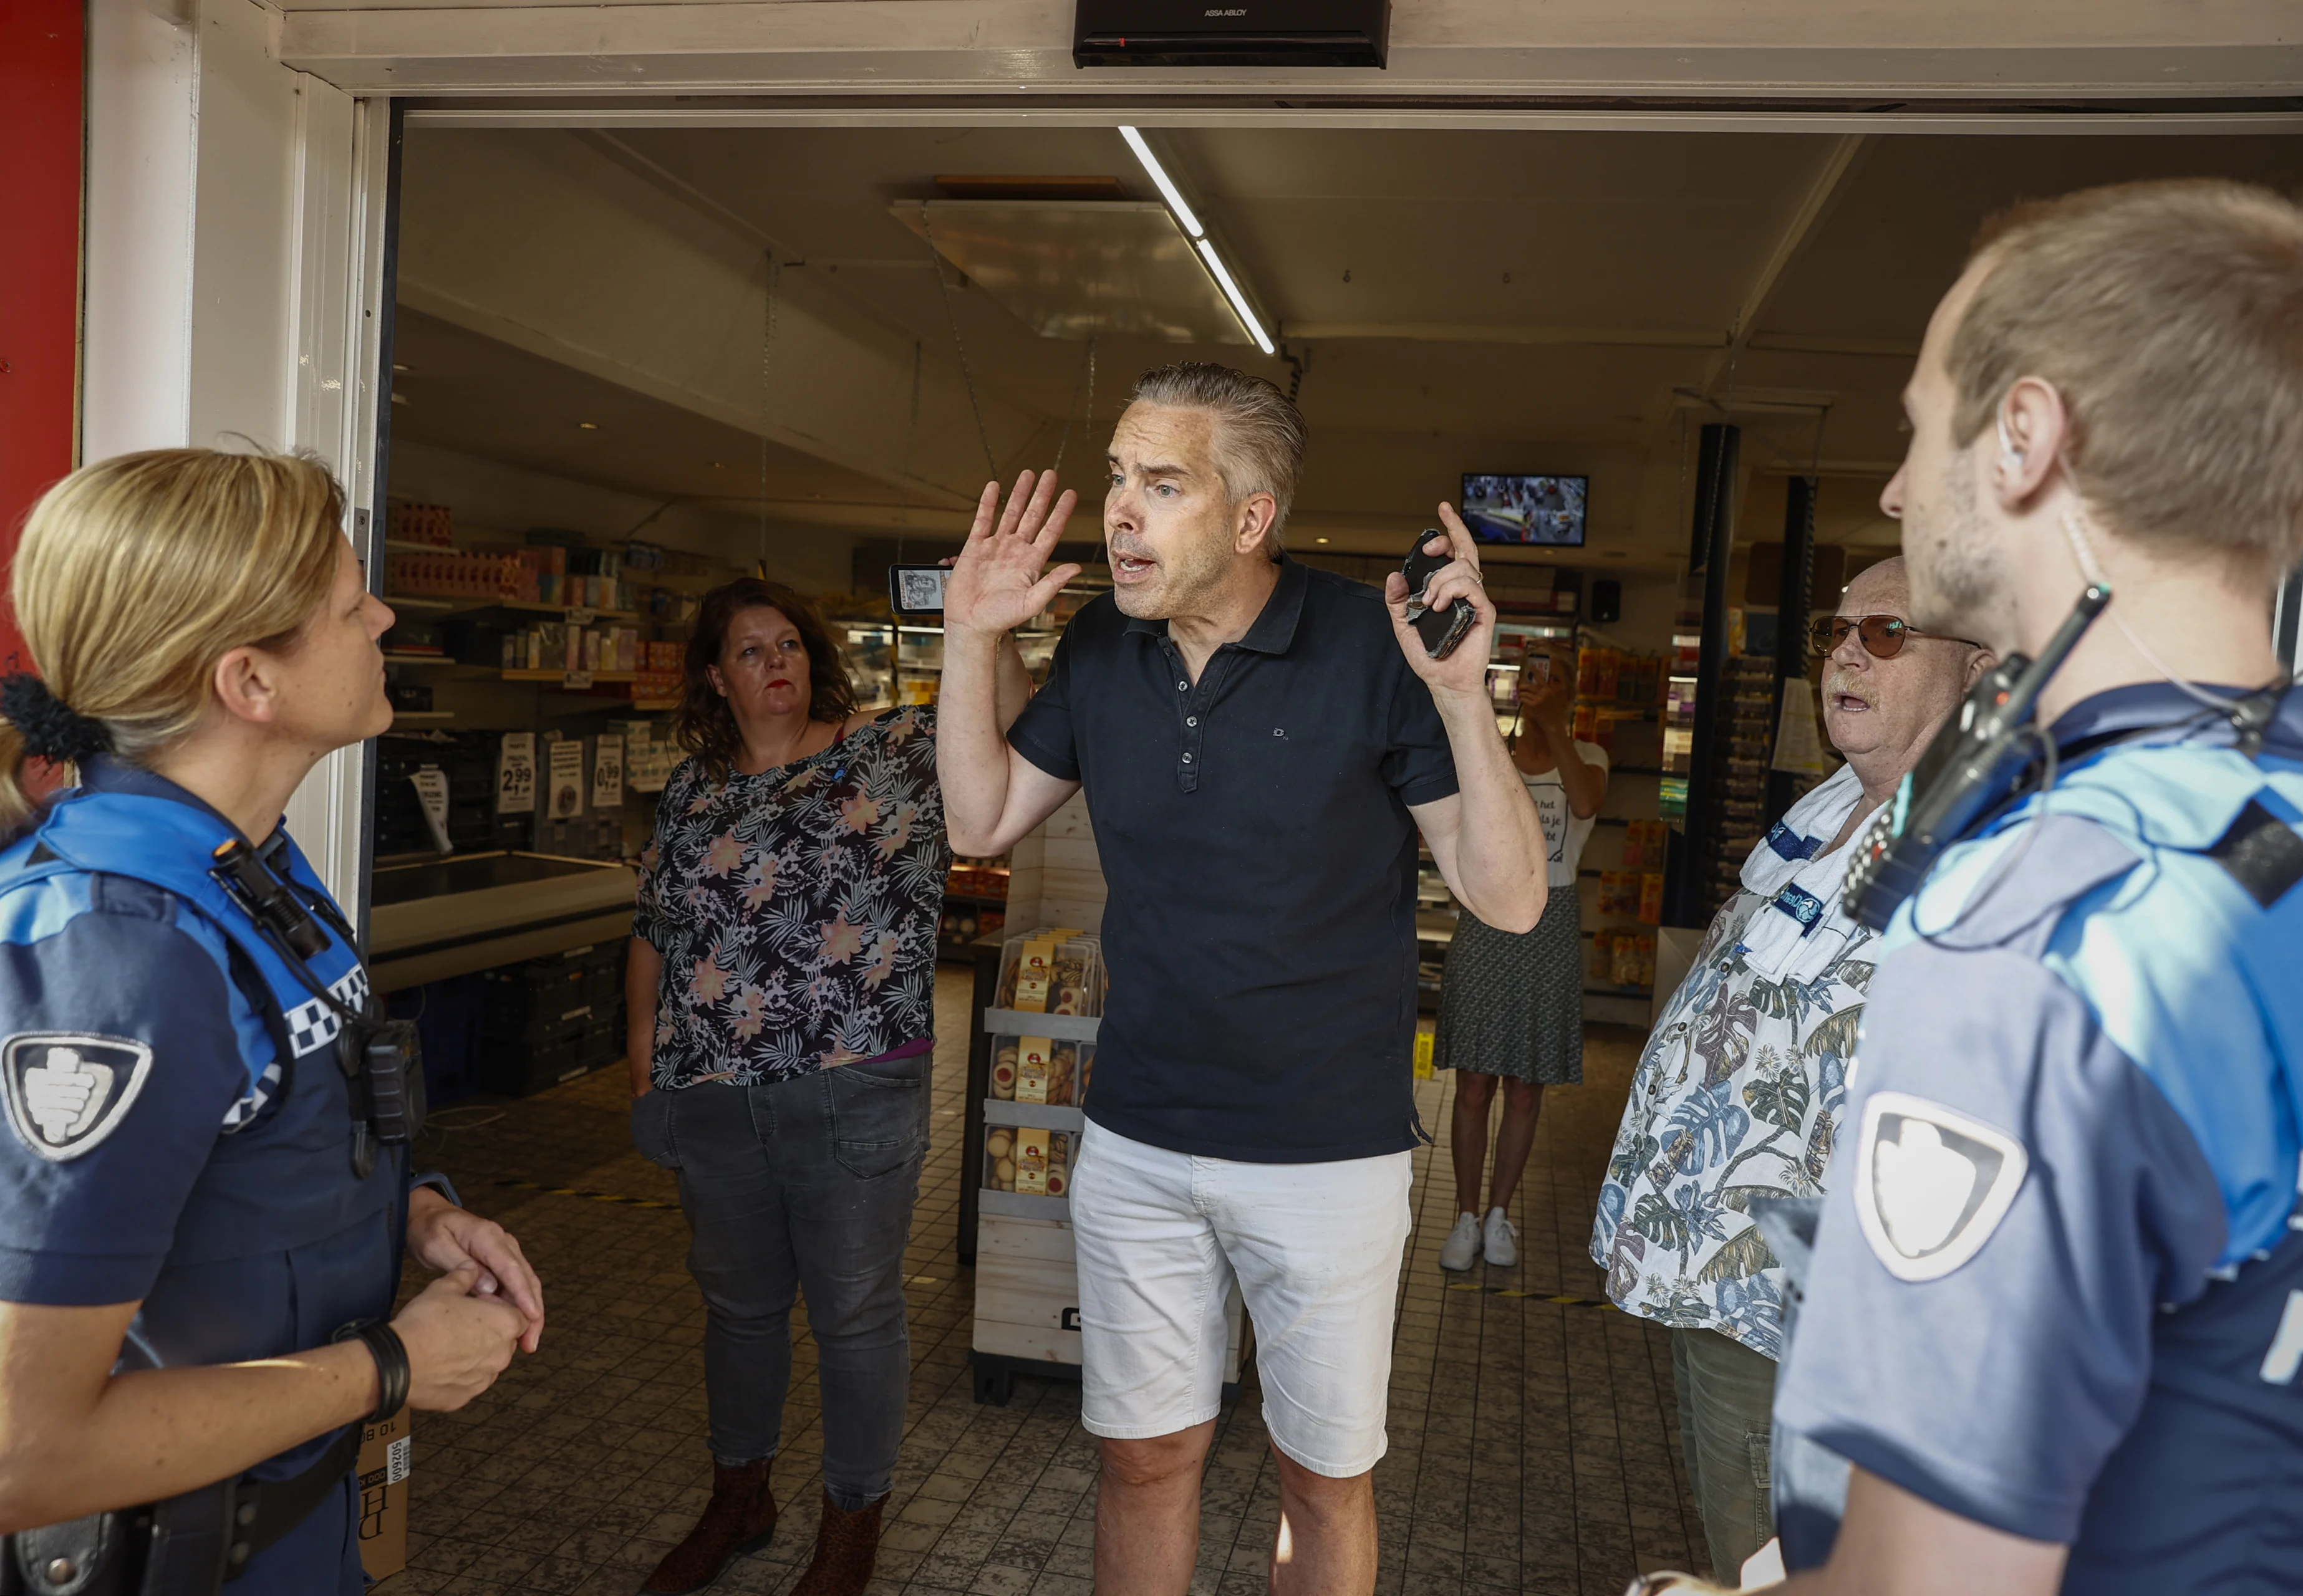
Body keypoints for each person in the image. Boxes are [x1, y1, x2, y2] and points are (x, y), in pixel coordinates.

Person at [1631, 181, 2303, 1595]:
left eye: (1920, 430)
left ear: (2027, 438)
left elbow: (1935, 1579)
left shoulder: (2031, 921)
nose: (1893, 489)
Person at [938, 362, 1547, 1596]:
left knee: (1323, 1480)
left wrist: (1464, 697)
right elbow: (983, 814)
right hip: (1140, 1139)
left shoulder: (1372, 651)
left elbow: (1510, 895)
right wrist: (970, 635)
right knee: (1144, 1457)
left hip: (1327, 1151)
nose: (1120, 509)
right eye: (1118, 476)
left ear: (1250, 516)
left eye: (1162, 484)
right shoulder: (1106, 644)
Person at [0, 449, 542, 1593]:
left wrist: (419, 1212)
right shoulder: (130, 952)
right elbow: (24, 1453)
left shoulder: (244, 866)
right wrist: (393, 1366)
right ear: (249, 683)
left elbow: (270, 1120)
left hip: (291, 1536)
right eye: (352, 606)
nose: (386, 614)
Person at [626, 577, 1030, 1596]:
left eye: (791, 645)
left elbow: (1022, 728)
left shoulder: (897, 749)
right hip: (713, 1091)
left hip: (855, 1087)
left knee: (854, 1314)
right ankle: (740, 1497)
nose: (777, 663)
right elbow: (656, 929)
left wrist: (994, 625)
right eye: (751, 651)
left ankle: (851, 1534)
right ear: (716, 678)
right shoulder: (692, 787)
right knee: (739, 1310)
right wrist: (644, 1051)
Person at [1593, 557, 1991, 1579]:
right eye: (1836, 630)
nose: (1847, 652)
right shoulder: (1830, 809)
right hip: (1720, 1277)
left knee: (1796, 1563)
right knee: (1743, 1546)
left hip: (1824, 1321)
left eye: (1888, 632)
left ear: (1979, 666)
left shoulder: (1983, 844)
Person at [1436, 660, 1610, 1272]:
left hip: (1553, 917)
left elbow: (1586, 800)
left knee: (1526, 1087)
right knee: (1474, 1082)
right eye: (1529, 674)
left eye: (1551, 675)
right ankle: (1463, 1211)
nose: (1537, 682)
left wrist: (1555, 727)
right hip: (1486, 916)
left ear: (1569, 691)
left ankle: (1499, 1213)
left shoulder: (1586, 753)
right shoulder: (1492, 752)